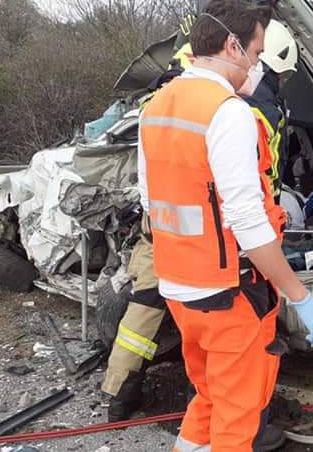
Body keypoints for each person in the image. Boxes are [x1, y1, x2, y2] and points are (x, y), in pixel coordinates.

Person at [140, 0, 313, 452]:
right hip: (227, 293)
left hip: (180, 287)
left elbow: (151, 201)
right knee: (238, 416)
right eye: (257, 52)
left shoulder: (158, 104)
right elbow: (247, 222)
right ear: (232, 46)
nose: (258, 65)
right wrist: (298, 295)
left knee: (208, 397)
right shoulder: (228, 114)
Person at [101, 41, 196, 423]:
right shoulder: (201, 113)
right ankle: (199, 406)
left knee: (139, 319)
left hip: (156, 231)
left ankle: (119, 399)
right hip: (191, 240)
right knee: (200, 324)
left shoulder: (151, 112)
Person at [246, 19, 298, 201]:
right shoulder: (267, 111)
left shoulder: (229, 94)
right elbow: (269, 173)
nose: (284, 81)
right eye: (284, 75)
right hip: (257, 206)